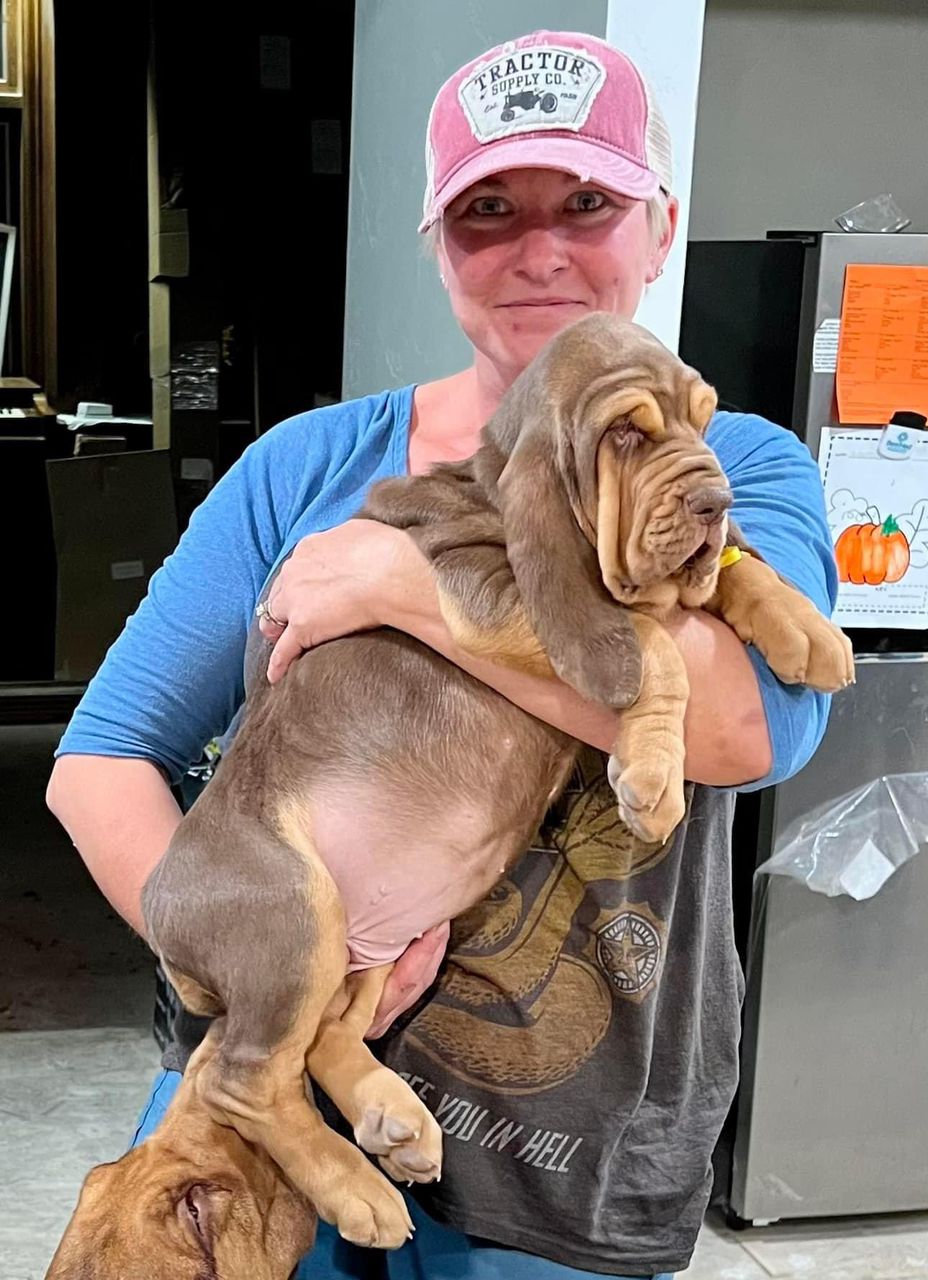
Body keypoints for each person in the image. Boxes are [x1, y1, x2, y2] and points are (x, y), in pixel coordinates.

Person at [47, 29, 837, 1280]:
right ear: (436, 239)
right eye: (486, 209)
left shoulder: (734, 467)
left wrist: (412, 590)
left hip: (566, 1155)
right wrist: (274, 975)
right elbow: (99, 760)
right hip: (261, 1125)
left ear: (659, 224)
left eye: (587, 201)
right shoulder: (304, 467)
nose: (539, 248)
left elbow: (748, 729)